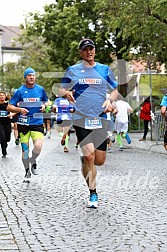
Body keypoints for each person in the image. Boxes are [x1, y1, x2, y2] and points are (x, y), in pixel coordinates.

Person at [59, 38, 118, 208]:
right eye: (85, 49)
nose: (89, 52)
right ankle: (93, 193)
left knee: (99, 160)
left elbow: (114, 90)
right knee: (89, 156)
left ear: (95, 51)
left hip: (99, 118)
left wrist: (109, 101)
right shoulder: (73, 70)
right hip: (81, 117)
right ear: (81, 52)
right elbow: (62, 89)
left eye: (91, 49)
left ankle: (85, 162)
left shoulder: (104, 70)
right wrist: (66, 93)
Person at [7, 67, 48, 182]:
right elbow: (9, 106)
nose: (31, 77)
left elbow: (46, 100)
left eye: (33, 75)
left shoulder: (40, 89)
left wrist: (44, 106)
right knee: (25, 150)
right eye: (29, 75)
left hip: (37, 122)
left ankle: (33, 160)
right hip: (23, 124)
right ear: (25, 77)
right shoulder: (19, 91)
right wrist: (20, 110)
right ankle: (27, 171)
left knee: (38, 146)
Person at [0, 91, 12, 158]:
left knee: (7, 138)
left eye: (3, 95)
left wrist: (11, 114)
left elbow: (13, 111)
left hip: (7, 122)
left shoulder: (8, 104)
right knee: (2, 136)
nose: (1, 96)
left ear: (5, 96)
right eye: (0, 95)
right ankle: (4, 152)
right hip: (0, 123)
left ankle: (5, 143)